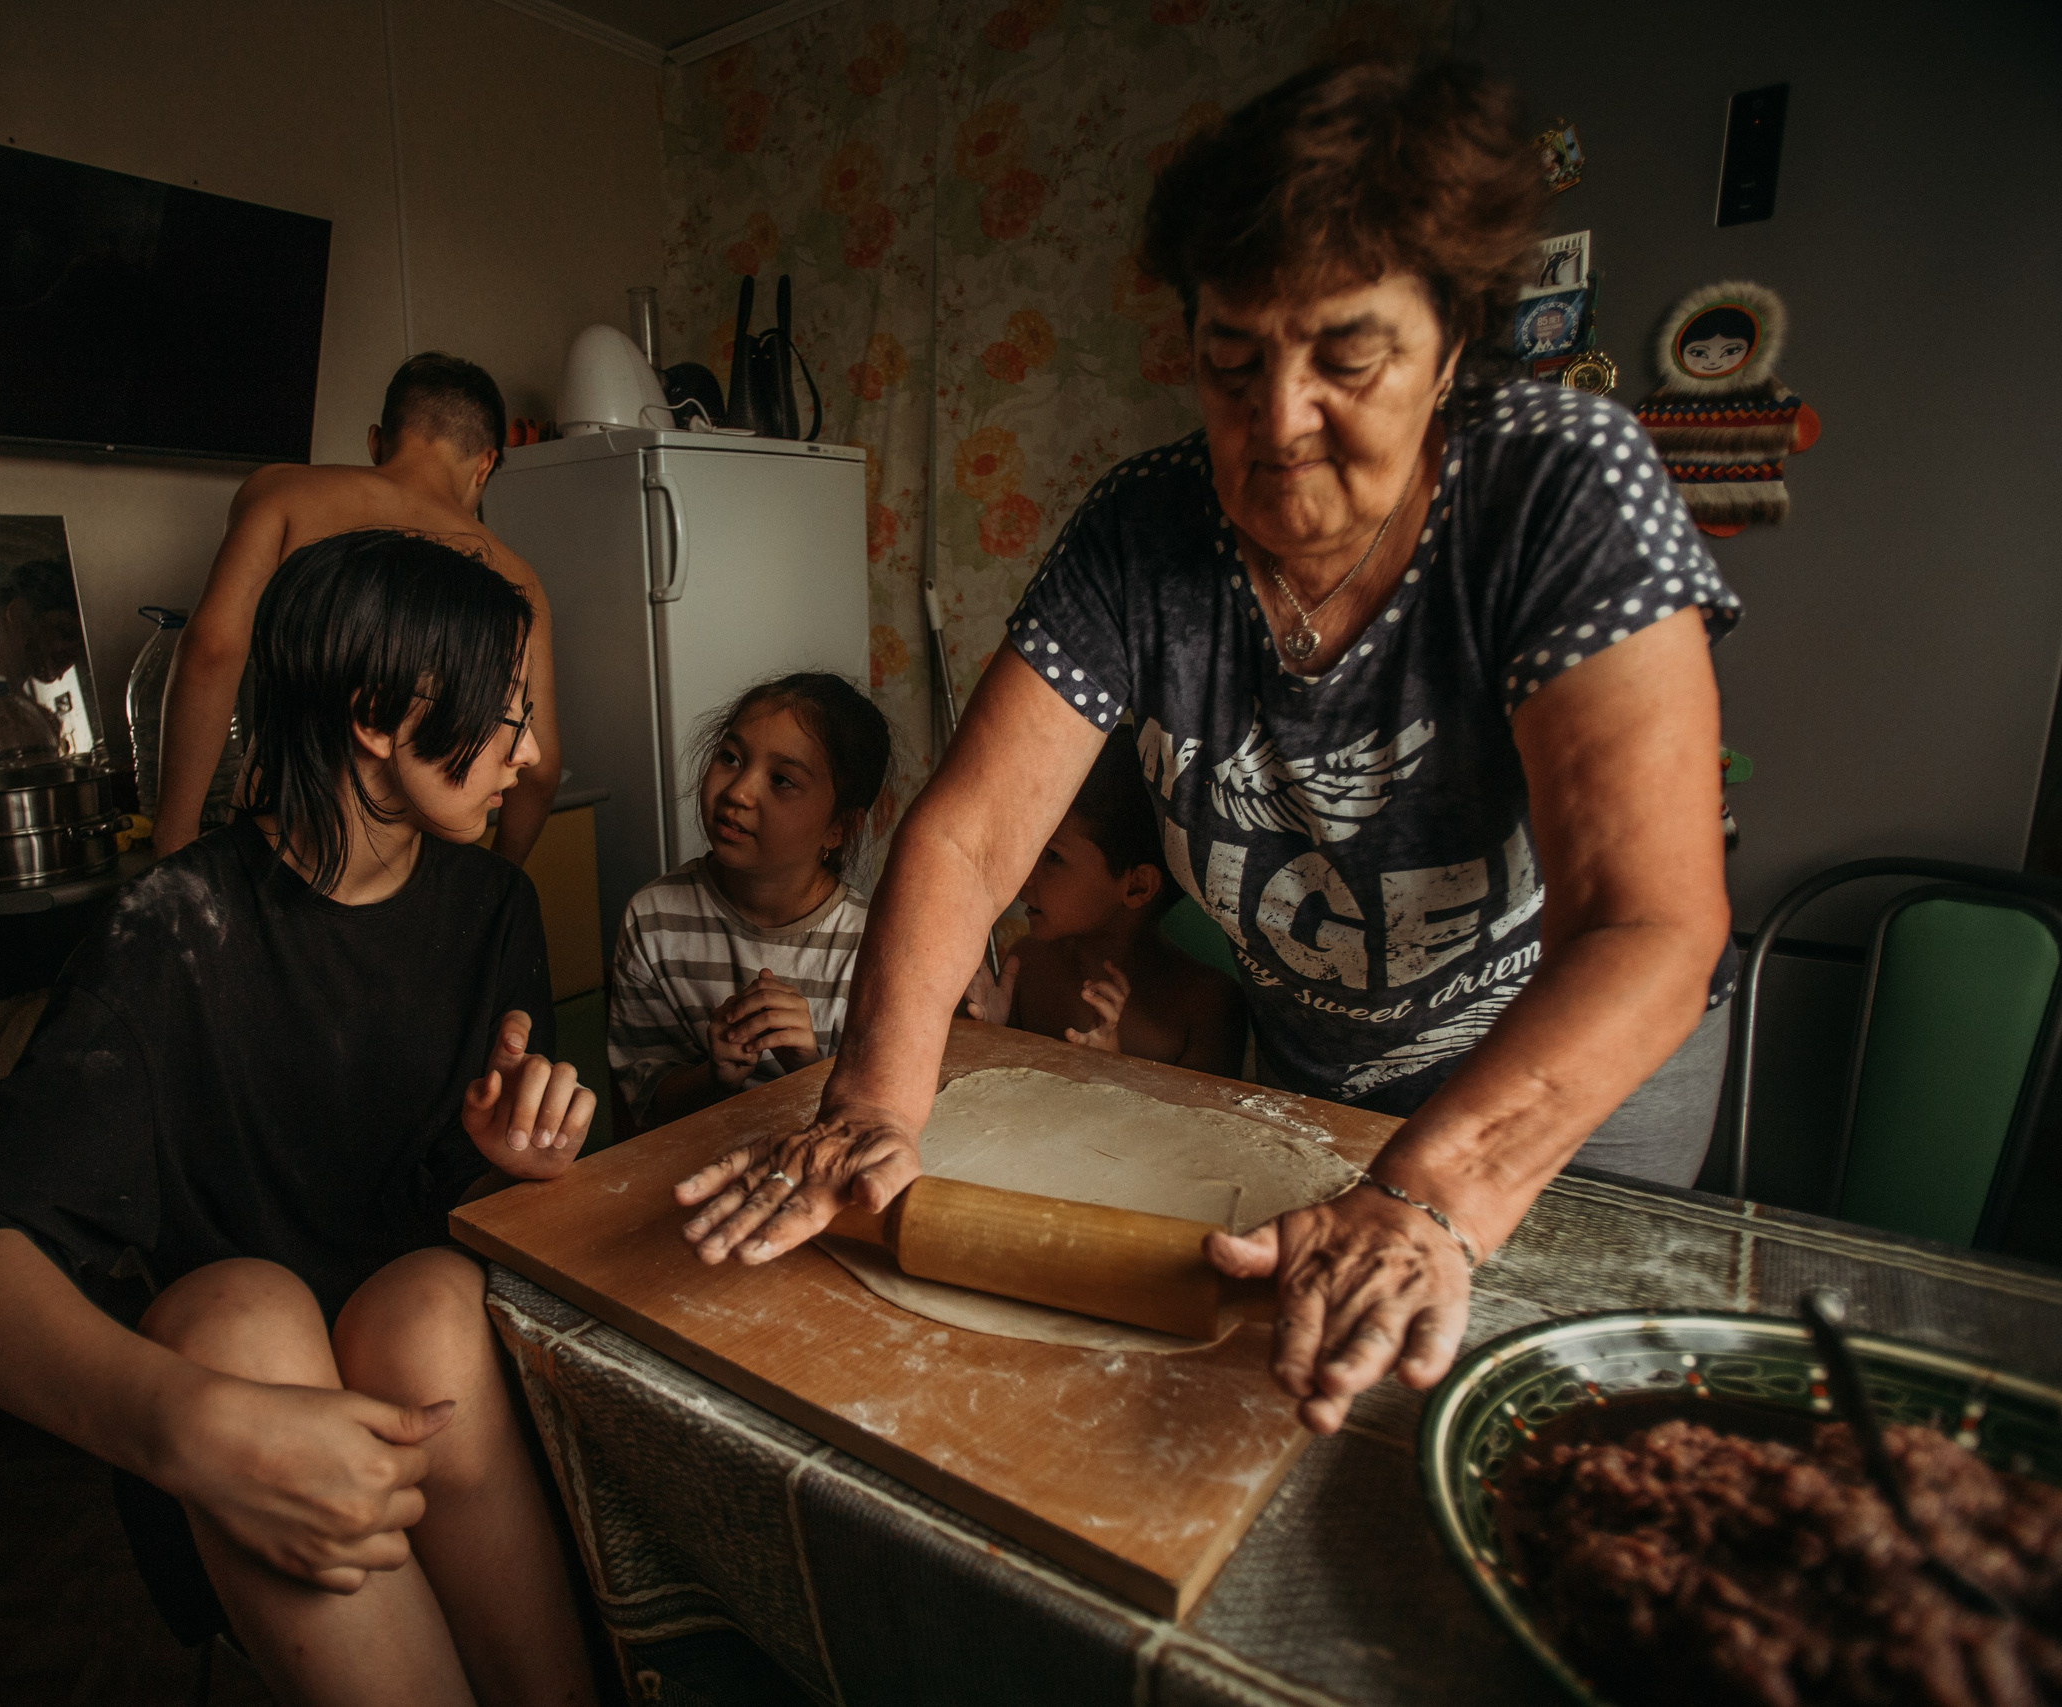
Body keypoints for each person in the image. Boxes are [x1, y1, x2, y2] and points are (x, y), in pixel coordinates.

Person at [672, 60, 1744, 1439]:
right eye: (1233, 364)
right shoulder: (1146, 528)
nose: (1279, 423)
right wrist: (877, 1092)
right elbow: (968, 834)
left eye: (1347, 359)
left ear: (1455, 343)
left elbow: (1647, 919)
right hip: (1330, 1063)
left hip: (1574, 1081)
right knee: (1284, 1418)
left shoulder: (1561, 487)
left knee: (1556, 1418)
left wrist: (1433, 1193)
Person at [0, 529, 599, 1707]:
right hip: (238, 1418)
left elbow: (469, 1224)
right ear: (376, 712)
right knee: (238, 1314)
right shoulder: (175, 929)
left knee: (427, 1306)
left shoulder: (493, 909)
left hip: (438, 1390)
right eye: (505, 713)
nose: (527, 754)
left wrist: (513, 1163)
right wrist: (189, 1427)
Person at [154, 352, 563, 864]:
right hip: (417, 858)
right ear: (485, 464)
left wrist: (172, 841)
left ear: (376, 443)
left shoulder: (283, 493)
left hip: (284, 833)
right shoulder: (512, 574)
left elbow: (211, 650)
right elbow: (540, 769)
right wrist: (495, 888)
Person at [608, 671, 890, 1129]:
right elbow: (645, 1110)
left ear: (841, 827)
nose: (738, 792)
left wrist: (805, 1065)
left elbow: (879, 1124)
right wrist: (714, 1077)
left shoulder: (873, 944)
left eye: (781, 780)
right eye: (730, 757)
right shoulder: (654, 920)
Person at [965, 725, 1246, 1073]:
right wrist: (989, 1038)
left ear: (1137, 887)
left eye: (1052, 856)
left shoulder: (1207, 1006)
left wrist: (1114, 1077)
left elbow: (1210, 1125)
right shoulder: (1026, 967)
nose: (1025, 875)